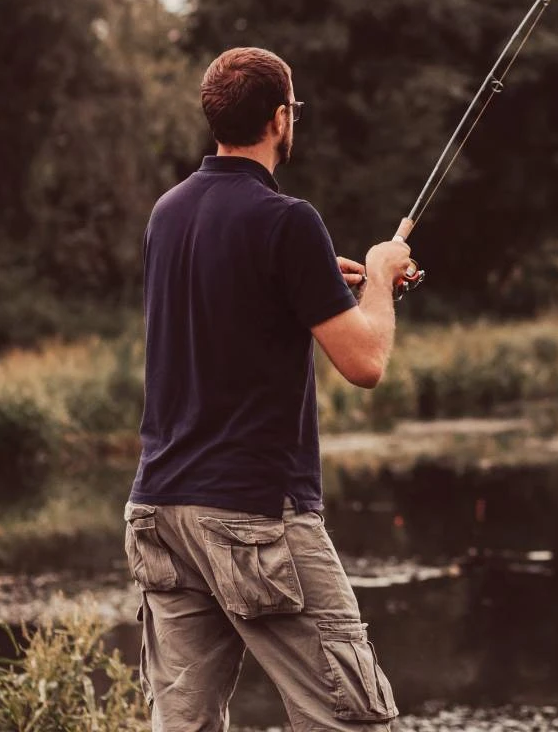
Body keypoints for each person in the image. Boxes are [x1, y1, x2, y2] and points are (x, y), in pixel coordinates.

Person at [123, 47, 414, 731]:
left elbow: (239, 299)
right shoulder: (288, 219)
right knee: (355, 720)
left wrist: (317, 281)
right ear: (281, 119)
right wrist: (379, 274)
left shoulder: (167, 213)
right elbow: (366, 362)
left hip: (159, 511)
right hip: (252, 513)